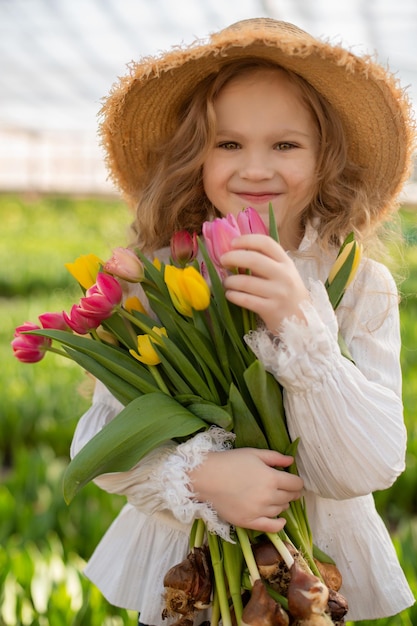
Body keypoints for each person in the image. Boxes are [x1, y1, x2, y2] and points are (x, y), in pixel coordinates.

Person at [70, 17, 416, 624]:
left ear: (326, 158)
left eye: (286, 145)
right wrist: (201, 477)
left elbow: (371, 464)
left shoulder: (360, 284)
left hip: (317, 561)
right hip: (194, 563)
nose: (255, 170)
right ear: (194, 157)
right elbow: (100, 446)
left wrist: (301, 324)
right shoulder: (154, 279)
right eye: (228, 144)